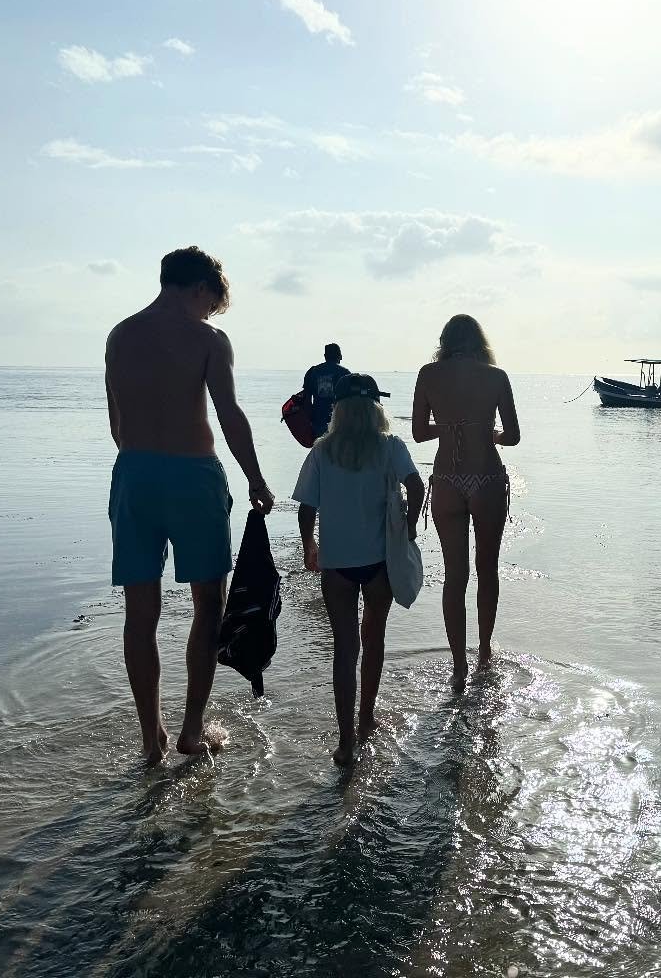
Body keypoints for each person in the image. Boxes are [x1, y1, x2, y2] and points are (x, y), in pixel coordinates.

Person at [105, 246, 275, 765]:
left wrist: (141, 463)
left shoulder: (120, 334)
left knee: (140, 614)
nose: (211, 313)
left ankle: (149, 739)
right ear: (201, 288)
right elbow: (228, 414)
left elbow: (116, 418)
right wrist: (257, 480)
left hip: (134, 473)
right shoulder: (208, 339)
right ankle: (191, 731)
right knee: (208, 606)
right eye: (212, 303)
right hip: (192, 475)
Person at [294, 373, 425, 766]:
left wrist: (309, 545)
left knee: (344, 649)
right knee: (374, 641)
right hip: (380, 562)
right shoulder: (390, 446)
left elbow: (306, 507)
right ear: (375, 408)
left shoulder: (322, 450)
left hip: (337, 566)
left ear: (339, 409)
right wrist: (410, 525)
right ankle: (367, 716)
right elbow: (416, 486)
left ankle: (346, 741)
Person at [411, 315, 520, 693]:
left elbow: (418, 432)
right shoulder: (496, 376)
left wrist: (450, 427)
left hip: (446, 480)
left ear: (444, 341)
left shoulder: (428, 374)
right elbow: (515, 436)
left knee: (454, 575)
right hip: (487, 477)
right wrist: (484, 431)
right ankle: (485, 653)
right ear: (480, 341)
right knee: (487, 569)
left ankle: (458, 665)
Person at [303, 343, 350, 439]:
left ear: (325, 356)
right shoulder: (345, 374)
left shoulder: (313, 372)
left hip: (318, 422)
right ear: (340, 356)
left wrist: (310, 419)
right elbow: (351, 401)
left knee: (320, 451)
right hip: (339, 423)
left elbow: (306, 398)